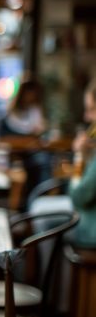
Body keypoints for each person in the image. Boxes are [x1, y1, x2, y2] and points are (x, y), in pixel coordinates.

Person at [0, 80, 54, 210]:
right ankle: (35, 204)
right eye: (29, 93)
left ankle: (38, 203)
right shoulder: (9, 116)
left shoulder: (35, 111)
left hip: (32, 156)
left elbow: (41, 132)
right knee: (42, 162)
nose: (31, 97)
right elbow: (4, 140)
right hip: (15, 157)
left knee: (46, 162)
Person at [69, 79, 96, 247]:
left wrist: (79, 157)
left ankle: (42, 274)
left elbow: (77, 197)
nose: (87, 116)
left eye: (91, 109)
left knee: (44, 222)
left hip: (91, 233)